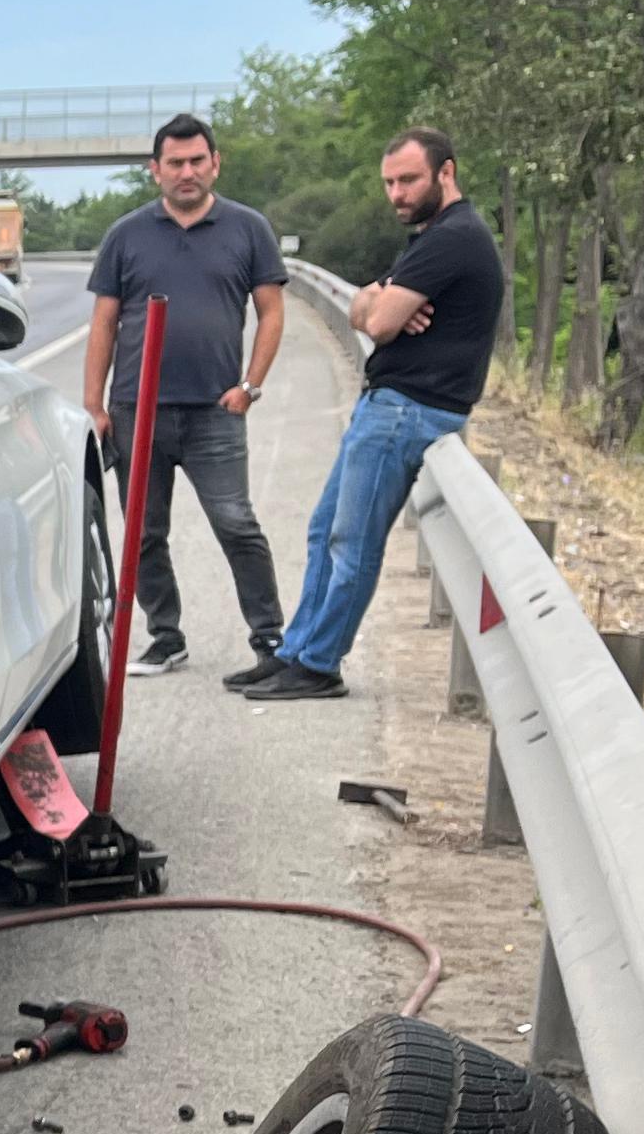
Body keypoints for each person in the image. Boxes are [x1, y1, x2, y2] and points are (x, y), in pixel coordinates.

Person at [239, 126, 509, 703]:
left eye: (408, 180)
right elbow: (366, 305)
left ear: (446, 173)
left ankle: (320, 663)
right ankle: (295, 650)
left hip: (409, 410)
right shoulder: (431, 237)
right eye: (389, 183)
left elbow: (381, 322)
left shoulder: (454, 237)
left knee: (352, 542)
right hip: (389, 407)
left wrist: (381, 306)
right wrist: (379, 301)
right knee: (325, 531)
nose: (397, 194)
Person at [78, 115, 287, 678]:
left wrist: (249, 386)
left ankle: (270, 640)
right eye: (175, 163)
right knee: (144, 534)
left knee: (236, 523)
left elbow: (271, 312)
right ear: (156, 170)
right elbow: (104, 323)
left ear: (215, 164)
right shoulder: (126, 235)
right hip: (137, 411)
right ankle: (165, 638)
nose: (186, 172)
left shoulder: (248, 228)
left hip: (216, 411)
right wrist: (95, 405)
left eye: (197, 161)